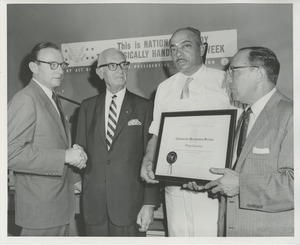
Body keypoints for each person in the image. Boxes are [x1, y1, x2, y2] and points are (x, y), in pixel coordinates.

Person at [186, 46, 294, 236]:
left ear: (259, 74)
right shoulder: (245, 117)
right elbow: (236, 174)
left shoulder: (291, 116)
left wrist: (241, 185)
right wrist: (207, 180)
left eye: (233, 71)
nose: (227, 79)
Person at [140, 27, 232, 236]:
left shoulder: (225, 82)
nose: (178, 54)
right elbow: (156, 134)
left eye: (186, 46)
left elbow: (236, 135)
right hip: (175, 190)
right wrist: (147, 160)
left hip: (211, 191)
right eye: (173, 49)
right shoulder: (164, 88)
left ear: (203, 49)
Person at [75, 48, 160, 236]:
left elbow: (152, 156)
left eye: (124, 65)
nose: (121, 70)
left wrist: (149, 203)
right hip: (94, 206)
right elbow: (79, 151)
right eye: (113, 66)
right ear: (100, 72)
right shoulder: (87, 107)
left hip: (130, 207)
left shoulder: (145, 107)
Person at [8, 42, 88, 236]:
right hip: (41, 213)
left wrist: (74, 178)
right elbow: (11, 154)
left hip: (58, 208)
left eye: (62, 65)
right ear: (34, 67)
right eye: (53, 65)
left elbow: (55, 144)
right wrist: (65, 156)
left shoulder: (51, 97)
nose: (60, 70)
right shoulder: (26, 99)